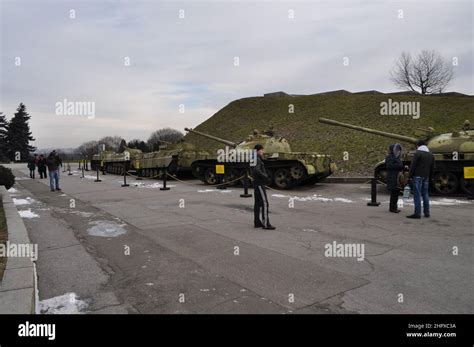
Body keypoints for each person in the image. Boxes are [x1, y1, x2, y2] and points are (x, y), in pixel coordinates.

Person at [407, 140, 435, 219]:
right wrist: (431, 177)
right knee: (425, 194)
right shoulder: (430, 154)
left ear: (418, 145)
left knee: (417, 194)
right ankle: (427, 212)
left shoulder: (418, 153)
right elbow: (432, 167)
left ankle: (417, 213)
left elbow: (413, 165)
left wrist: (410, 176)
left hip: (417, 176)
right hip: (426, 176)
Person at [251, 144, 275, 230]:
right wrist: (265, 177)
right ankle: (266, 223)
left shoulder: (253, 158)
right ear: (258, 151)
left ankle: (257, 222)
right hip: (259, 183)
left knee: (257, 203)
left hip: (256, 183)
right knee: (265, 203)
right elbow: (257, 170)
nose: (263, 152)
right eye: (261, 150)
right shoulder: (257, 159)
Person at [385, 144, 403, 213]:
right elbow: (389, 166)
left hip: (396, 177)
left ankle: (394, 207)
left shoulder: (396, 157)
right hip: (392, 177)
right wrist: (398, 165)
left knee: (396, 193)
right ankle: (392, 208)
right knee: (394, 193)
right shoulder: (390, 157)